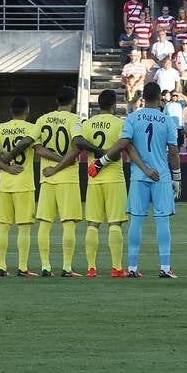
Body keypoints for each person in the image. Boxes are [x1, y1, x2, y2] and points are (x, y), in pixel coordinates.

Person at [89, 81, 180, 278]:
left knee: (136, 222)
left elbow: (124, 144)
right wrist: (177, 178)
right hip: (161, 176)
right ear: (160, 98)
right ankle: (165, 267)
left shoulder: (132, 117)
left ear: (143, 98)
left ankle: (131, 267)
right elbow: (173, 152)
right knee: (162, 221)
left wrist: (101, 161)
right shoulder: (167, 120)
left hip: (139, 176)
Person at [51, 88, 127, 276]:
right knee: (115, 224)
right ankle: (117, 268)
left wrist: (57, 166)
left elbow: (78, 146)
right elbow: (120, 150)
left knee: (93, 224)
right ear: (114, 105)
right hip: (114, 178)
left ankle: (91, 268)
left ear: (98, 105)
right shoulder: (120, 123)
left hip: (93, 178)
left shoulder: (87, 124)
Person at [0, 96, 39, 276]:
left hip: (5, 183)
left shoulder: (0, 128)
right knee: (24, 227)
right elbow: (39, 149)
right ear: (27, 111)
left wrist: (5, 167)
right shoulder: (32, 128)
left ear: (11, 111)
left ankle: (1, 267)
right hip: (24, 183)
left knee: (3, 227)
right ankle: (22, 268)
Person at [33, 86, 82, 277]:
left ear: (57, 101)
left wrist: (53, 166)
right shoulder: (73, 119)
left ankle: (45, 266)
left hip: (46, 178)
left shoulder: (42, 119)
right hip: (67, 178)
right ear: (72, 101)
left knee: (45, 224)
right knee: (68, 223)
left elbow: (37, 147)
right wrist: (60, 165)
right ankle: (67, 267)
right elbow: (77, 146)